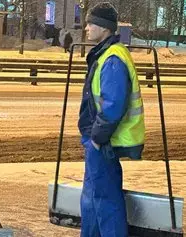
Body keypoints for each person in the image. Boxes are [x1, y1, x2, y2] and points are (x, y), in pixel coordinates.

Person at [78, 2, 145, 237]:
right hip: (97, 141)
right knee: (93, 200)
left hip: (105, 143)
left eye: (90, 23)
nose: (86, 28)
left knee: (105, 201)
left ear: (104, 28)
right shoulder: (106, 54)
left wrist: (96, 139)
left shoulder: (113, 59)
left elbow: (113, 106)